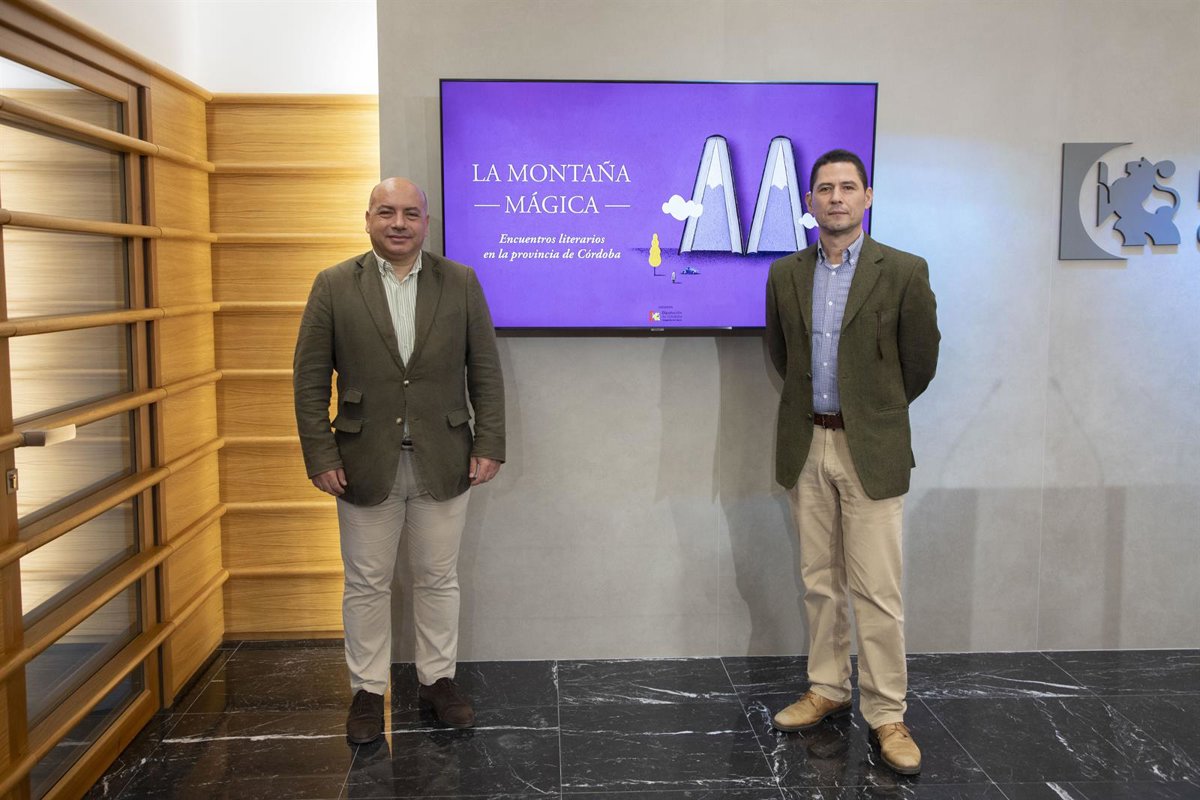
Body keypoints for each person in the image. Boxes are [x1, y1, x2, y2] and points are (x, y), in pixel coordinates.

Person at [293, 177, 505, 743]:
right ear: (367, 219)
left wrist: (489, 443)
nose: (398, 223)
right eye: (386, 212)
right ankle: (367, 691)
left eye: (411, 213)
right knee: (366, 582)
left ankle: (437, 682)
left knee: (438, 578)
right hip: (361, 462)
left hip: (445, 458)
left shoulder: (460, 282)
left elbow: (484, 371)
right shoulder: (334, 284)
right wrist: (319, 453)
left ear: (426, 224)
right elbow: (309, 380)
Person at [764, 149, 939, 775]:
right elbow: (781, 354)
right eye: (824, 188)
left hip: (871, 447)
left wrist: (872, 411)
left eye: (847, 187)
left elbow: (920, 363)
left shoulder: (904, 271)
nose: (835, 197)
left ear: (867, 197)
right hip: (806, 442)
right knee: (819, 580)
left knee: (877, 590)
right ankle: (827, 688)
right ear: (810, 201)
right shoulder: (785, 273)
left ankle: (887, 713)